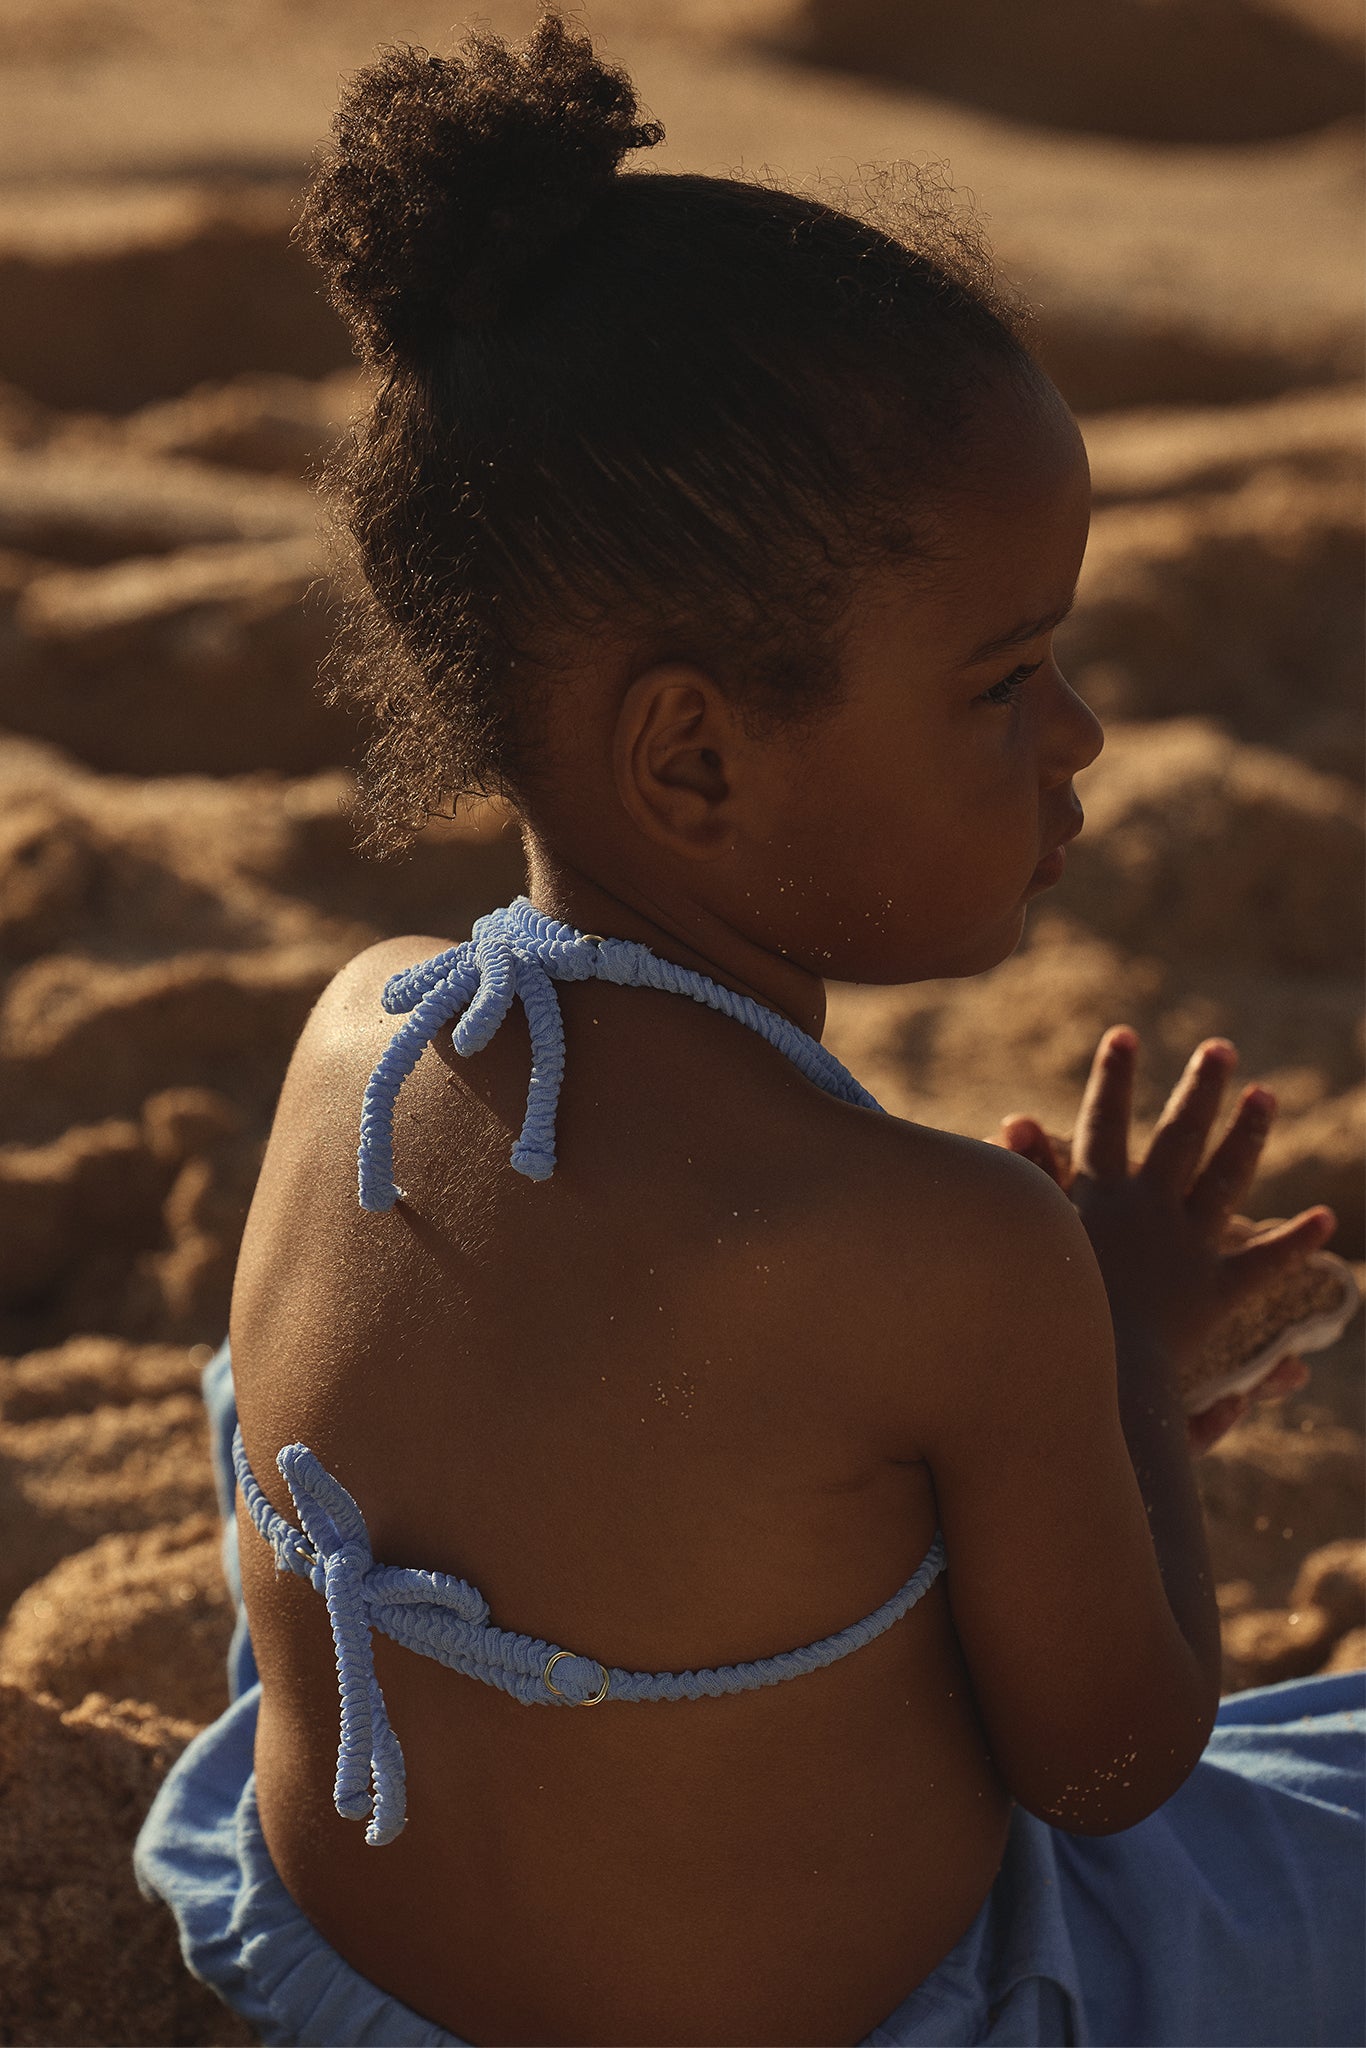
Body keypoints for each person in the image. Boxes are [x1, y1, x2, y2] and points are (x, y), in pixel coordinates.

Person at [134, 15, 1364, 2045]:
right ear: (691, 758)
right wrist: (1114, 1375)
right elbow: (1113, 1768)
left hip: (351, 1979)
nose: (1075, 742)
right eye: (1002, 679)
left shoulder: (352, 1036)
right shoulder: (943, 1252)